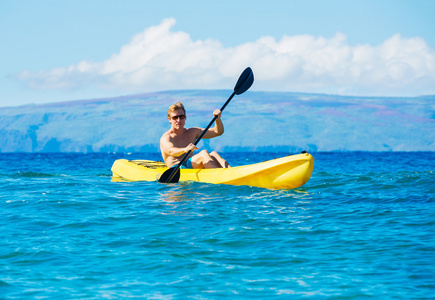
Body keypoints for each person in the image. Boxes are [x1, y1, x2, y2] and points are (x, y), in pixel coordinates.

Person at [160, 102, 230, 169]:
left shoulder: (192, 132)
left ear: (185, 118)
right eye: (175, 118)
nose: (179, 120)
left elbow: (217, 132)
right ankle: (217, 175)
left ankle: (231, 172)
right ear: (169, 119)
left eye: (181, 117)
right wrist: (185, 149)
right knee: (203, 153)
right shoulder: (166, 137)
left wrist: (217, 119)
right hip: (176, 169)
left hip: (192, 165)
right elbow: (171, 151)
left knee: (214, 154)